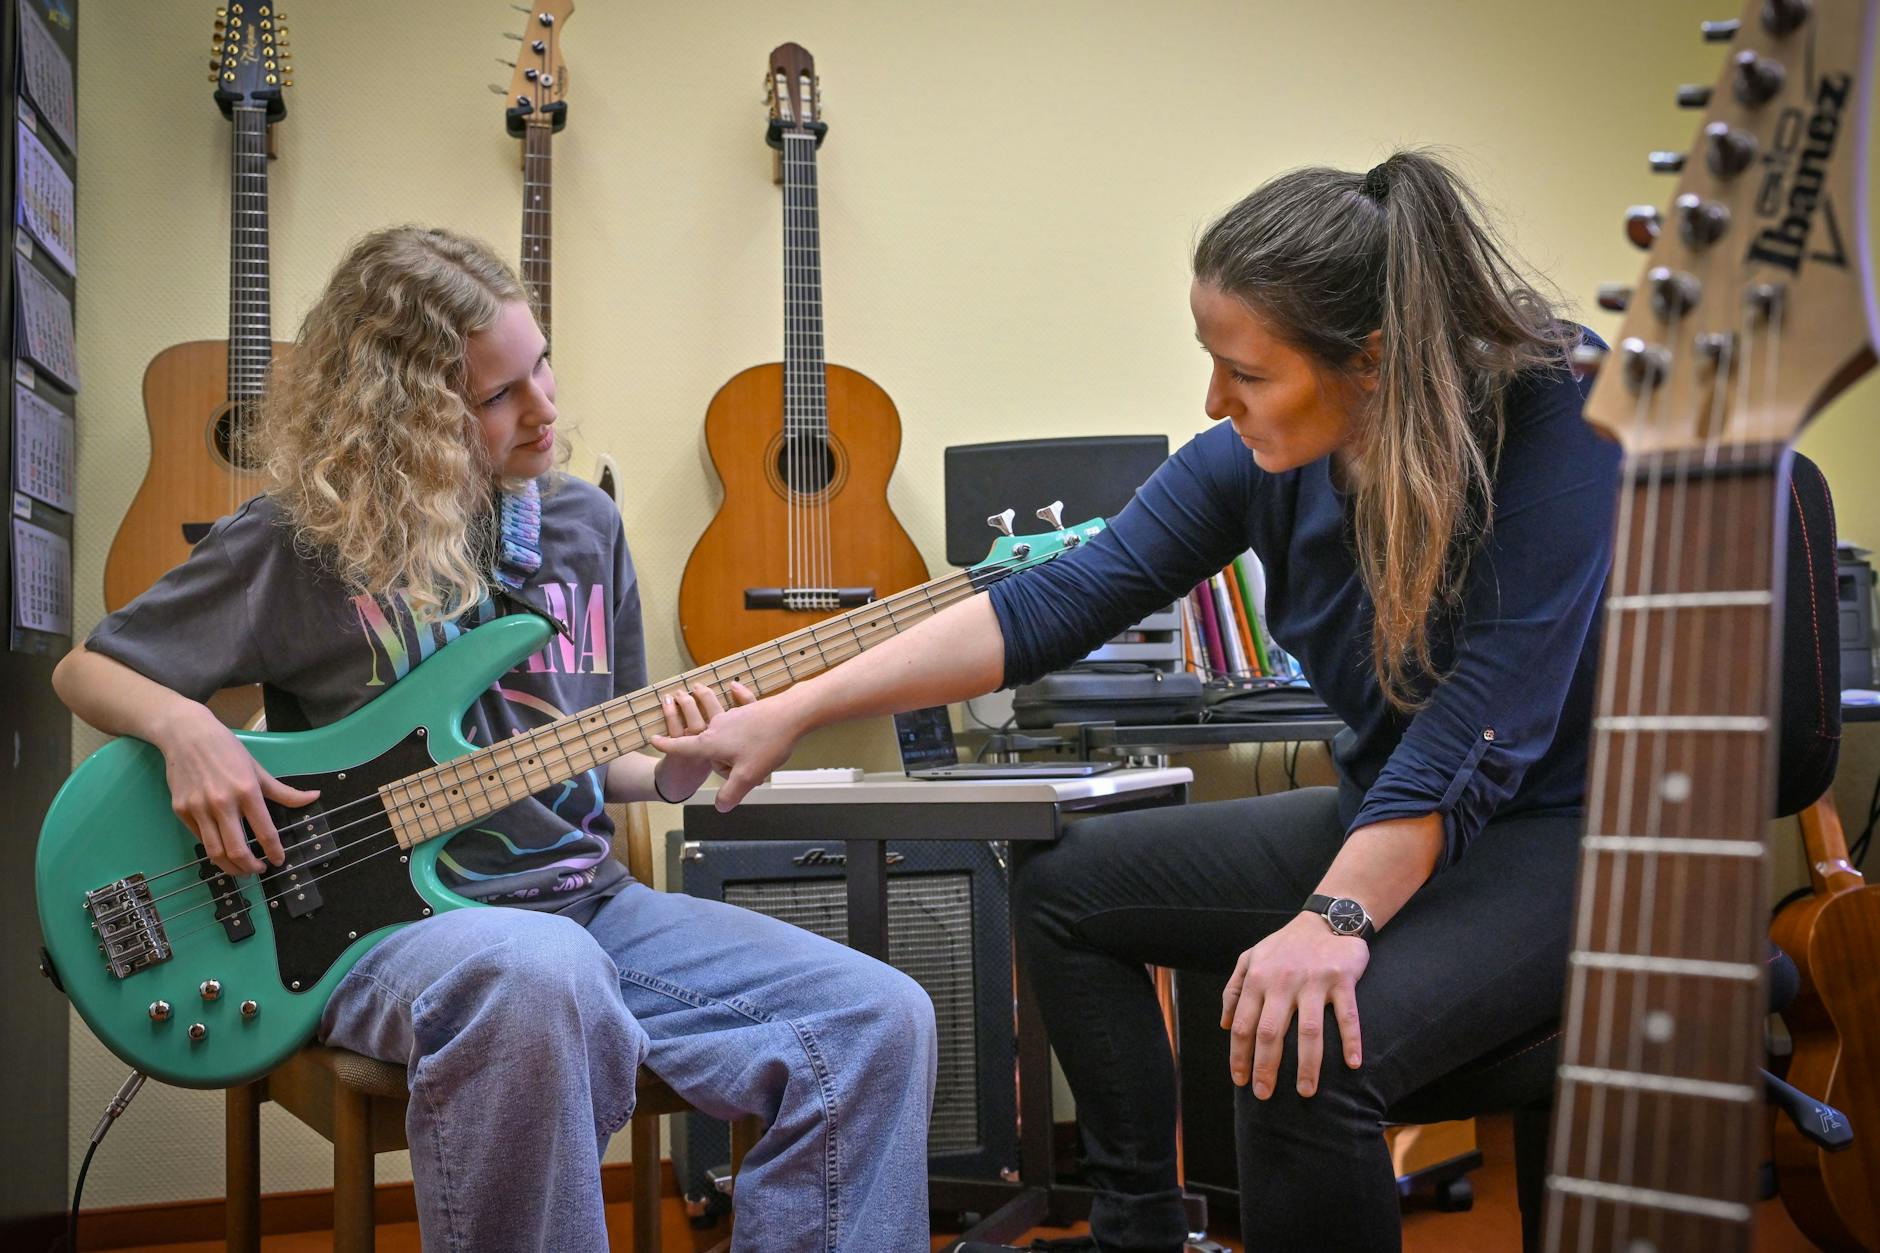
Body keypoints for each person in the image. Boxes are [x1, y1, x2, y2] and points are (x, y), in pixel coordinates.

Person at [655, 151, 1620, 1253]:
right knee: (1067, 889)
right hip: (1390, 811)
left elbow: (1479, 721)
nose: (1212, 401)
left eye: (1243, 373)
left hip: (1570, 836)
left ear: (1369, 361)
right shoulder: (1250, 464)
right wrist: (795, 704)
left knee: (1302, 1050)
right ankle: (1141, 1232)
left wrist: (1329, 920)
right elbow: (1052, 600)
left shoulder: (1550, 416)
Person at [53, 226, 937, 1253]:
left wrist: (672, 766)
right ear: (404, 421)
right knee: (536, 971)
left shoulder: (581, 529)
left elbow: (585, 743)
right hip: (378, 933)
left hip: (582, 902)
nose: (546, 406)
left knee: (879, 1015)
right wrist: (184, 728)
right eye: (499, 395)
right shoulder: (300, 541)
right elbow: (88, 667)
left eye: (542, 363)